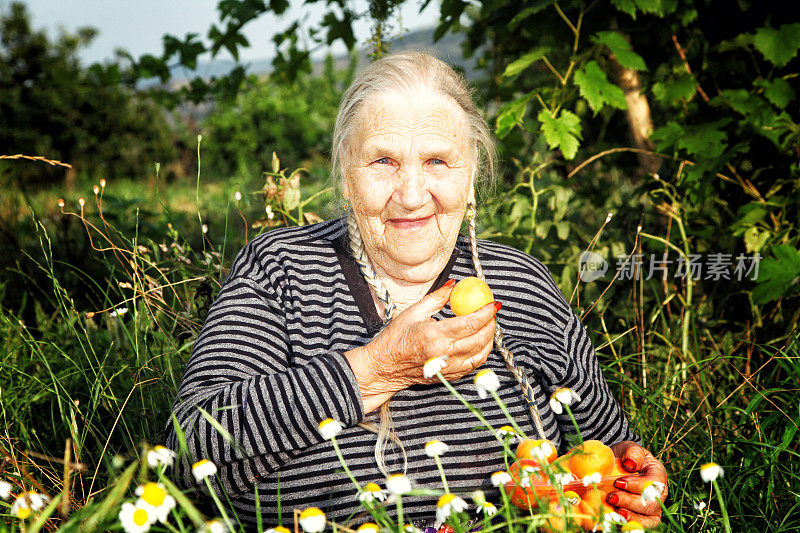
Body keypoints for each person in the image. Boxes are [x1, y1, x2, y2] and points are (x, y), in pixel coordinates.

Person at [165, 50, 668, 531]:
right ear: (345, 171)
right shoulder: (283, 270)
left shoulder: (522, 284)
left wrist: (633, 481)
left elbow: (607, 444)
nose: (409, 194)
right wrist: (376, 369)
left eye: (436, 162)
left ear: (471, 174)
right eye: (383, 161)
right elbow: (188, 449)